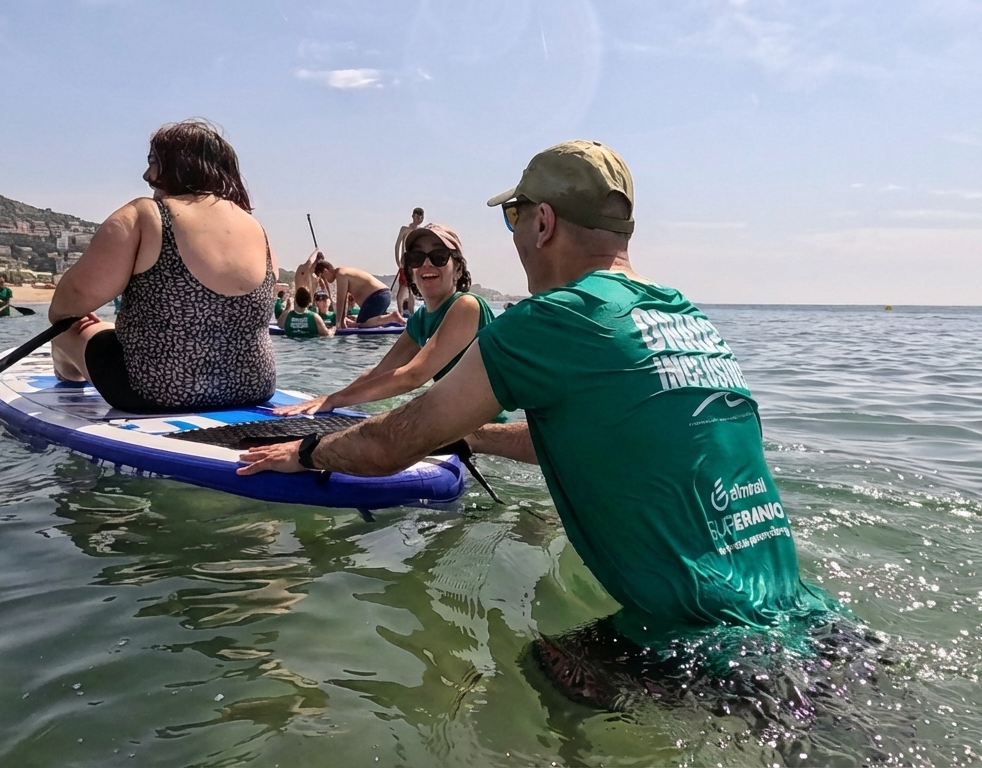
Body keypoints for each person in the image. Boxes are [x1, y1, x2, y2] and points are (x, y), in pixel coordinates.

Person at [238, 141, 848, 712]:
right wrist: (474, 436)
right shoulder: (685, 316)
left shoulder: (550, 321)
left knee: (538, 668)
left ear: (544, 223)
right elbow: (591, 436)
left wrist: (311, 452)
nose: (516, 237)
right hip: (821, 627)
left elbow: (395, 441)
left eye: (514, 219)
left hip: (707, 652)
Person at [48, 118, 277, 414]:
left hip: (153, 393)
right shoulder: (255, 227)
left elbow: (69, 301)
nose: (146, 175)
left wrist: (69, 317)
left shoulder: (147, 215)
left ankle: (68, 377)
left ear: (180, 165)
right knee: (103, 329)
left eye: (153, 162)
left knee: (66, 328)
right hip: (252, 389)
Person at [274, 223, 493, 417]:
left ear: (458, 268)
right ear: (411, 268)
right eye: (416, 258)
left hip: (485, 430)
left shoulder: (467, 306)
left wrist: (336, 400)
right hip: (459, 421)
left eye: (439, 257)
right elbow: (381, 371)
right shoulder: (420, 319)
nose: (426, 264)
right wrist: (331, 397)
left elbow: (414, 375)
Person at [313, 258, 403, 328]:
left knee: (362, 323)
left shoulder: (341, 275)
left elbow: (341, 300)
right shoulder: (343, 272)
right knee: (368, 321)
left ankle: (393, 316)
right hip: (384, 295)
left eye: (323, 277)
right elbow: (344, 302)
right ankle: (389, 318)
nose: (325, 280)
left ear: (325, 271)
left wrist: (338, 324)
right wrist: (342, 321)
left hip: (378, 296)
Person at [392, 207, 424, 314]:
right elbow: (397, 245)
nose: (419, 218)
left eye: (421, 216)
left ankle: (411, 313)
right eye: (417, 215)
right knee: (402, 287)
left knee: (412, 288)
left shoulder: (420, 231)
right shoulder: (405, 229)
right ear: (413, 216)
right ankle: (400, 312)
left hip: (415, 263)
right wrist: (398, 260)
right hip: (405, 262)